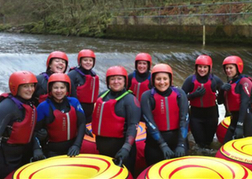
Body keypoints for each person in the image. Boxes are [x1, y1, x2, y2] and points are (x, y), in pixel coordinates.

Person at [92, 66, 141, 174]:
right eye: (112, 79)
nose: (116, 82)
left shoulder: (130, 100)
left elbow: (133, 126)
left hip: (123, 150)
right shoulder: (102, 96)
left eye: (119, 79)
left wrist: (126, 148)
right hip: (103, 148)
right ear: (108, 81)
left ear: (125, 80)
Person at [141, 63, 189, 166]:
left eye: (165, 79)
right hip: (155, 144)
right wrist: (162, 145)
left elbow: (184, 120)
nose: (162, 82)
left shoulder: (180, 94)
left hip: (177, 141)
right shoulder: (147, 97)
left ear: (170, 79)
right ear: (153, 80)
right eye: (158, 79)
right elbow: (149, 122)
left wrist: (181, 144)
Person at [33, 73, 86, 159]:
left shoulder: (74, 102)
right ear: (50, 89)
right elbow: (34, 131)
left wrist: (77, 145)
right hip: (51, 151)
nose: (59, 91)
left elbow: (82, 123)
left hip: (72, 149)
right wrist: (36, 148)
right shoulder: (43, 107)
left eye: (62, 88)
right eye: (55, 88)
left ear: (67, 89)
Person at [0, 71, 42, 178]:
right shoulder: (7, 107)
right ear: (15, 88)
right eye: (25, 86)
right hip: (6, 157)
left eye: (32, 86)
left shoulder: (29, 104)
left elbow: (30, 130)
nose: (30, 89)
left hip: (24, 153)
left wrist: (37, 148)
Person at [181, 55, 223, 150]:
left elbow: (223, 99)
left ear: (209, 68)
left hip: (212, 116)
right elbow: (180, 98)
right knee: (200, 144)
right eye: (200, 67)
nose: (202, 69)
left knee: (208, 143)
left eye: (205, 67)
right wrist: (193, 95)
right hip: (196, 117)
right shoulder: (190, 80)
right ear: (196, 67)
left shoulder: (216, 80)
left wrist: (223, 91)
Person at [221, 56, 252, 143]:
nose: (228, 70)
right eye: (226, 68)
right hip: (234, 118)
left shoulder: (245, 82)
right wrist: (221, 90)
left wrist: (240, 125)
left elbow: (244, 103)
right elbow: (220, 101)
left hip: (246, 119)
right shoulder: (230, 83)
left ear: (238, 68)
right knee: (225, 144)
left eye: (231, 68)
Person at [68, 49, 99, 123]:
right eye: (85, 60)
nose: (88, 62)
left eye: (90, 60)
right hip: (77, 111)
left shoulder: (93, 75)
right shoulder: (73, 74)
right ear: (80, 61)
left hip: (89, 112)